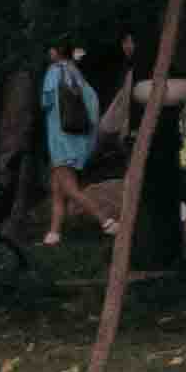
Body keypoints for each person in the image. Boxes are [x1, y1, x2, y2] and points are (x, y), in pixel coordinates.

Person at [35, 40, 121, 243]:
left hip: (60, 139)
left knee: (70, 188)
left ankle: (106, 221)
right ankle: (54, 234)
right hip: (75, 139)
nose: (49, 52)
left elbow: (45, 102)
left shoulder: (54, 71)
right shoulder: (75, 72)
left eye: (51, 48)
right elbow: (92, 102)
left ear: (57, 52)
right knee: (58, 188)